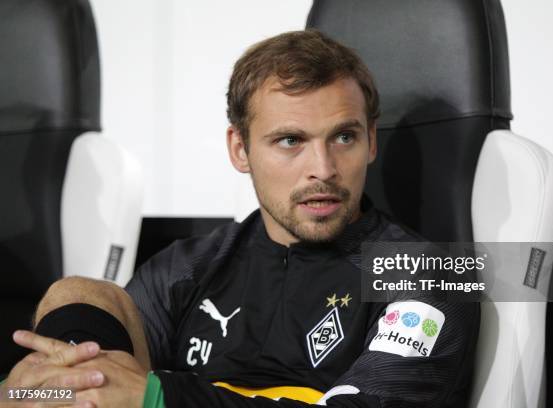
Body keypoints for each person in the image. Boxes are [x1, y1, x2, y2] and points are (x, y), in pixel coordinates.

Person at [0, 30, 480, 408]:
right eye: (290, 140)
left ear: (371, 141)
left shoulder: (428, 276)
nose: (324, 168)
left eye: (344, 137)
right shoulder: (190, 267)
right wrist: (44, 391)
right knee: (80, 294)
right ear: (239, 149)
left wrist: (160, 397)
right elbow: (100, 374)